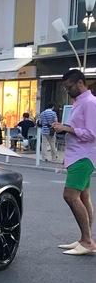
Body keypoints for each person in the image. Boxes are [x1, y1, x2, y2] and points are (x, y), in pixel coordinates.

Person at [52, 69, 96, 255]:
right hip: (78, 155)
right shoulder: (81, 102)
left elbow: (91, 133)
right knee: (84, 197)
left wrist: (66, 129)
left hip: (83, 155)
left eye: (69, 87)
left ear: (80, 83)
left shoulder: (90, 103)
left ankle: (87, 241)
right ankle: (86, 238)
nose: (67, 91)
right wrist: (65, 129)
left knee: (70, 196)